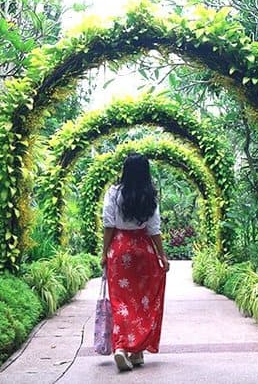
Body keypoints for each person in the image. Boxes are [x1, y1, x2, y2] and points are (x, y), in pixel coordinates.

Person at [100, 152, 169, 371]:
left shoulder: (113, 193)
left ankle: (121, 348)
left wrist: (104, 253)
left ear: (125, 171)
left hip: (120, 250)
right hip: (143, 251)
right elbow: (154, 229)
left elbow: (109, 224)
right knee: (143, 302)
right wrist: (162, 255)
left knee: (121, 301)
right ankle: (137, 352)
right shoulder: (149, 196)